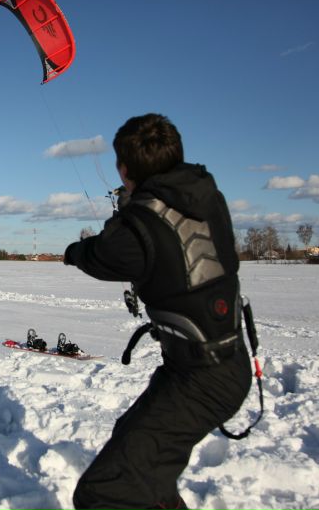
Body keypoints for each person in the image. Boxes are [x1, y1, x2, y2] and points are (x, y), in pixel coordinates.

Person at [64, 113, 252, 510]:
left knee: (104, 493)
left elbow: (102, 256)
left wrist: (75, 250)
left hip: (201, 379)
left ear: (124, 168)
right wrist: (134, 201)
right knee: (143, 470)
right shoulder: (206, 194)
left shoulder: (139, 223)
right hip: (218, 366)